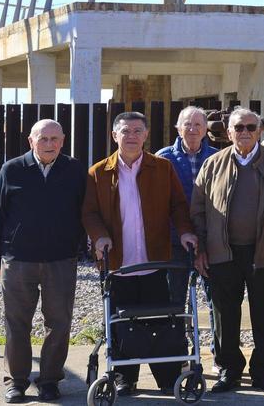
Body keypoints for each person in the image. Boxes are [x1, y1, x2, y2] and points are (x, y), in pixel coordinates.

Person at [83, 112, 198, 396]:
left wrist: (185, 231)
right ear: (115, 136)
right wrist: (100, 237)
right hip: (117, 262)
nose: (131, 136)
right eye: (125, 131)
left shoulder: (162, 167)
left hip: (154, 260)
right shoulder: (99, 171)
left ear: (146, 135)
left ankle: (168, 376)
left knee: (161, 321)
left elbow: (178, 206)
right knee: (122, 324)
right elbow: (89, 212)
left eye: (137, 130)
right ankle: (124, 377)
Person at [191, 107, 264, 393]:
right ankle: (229, 370)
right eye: (238, 127)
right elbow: (197, 209)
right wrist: (201, 248)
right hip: (223, 252)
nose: (244, 132)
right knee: (224, 315)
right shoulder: (213, 164)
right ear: (228, 132)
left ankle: (263, 370)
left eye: (250, 127)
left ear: (259, 131)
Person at [0, 120, 84, 404]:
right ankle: (16, 381)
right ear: (31, 141)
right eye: (43, 139)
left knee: (59, 323)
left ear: (63, 141)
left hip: (60, 261)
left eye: (55, 138)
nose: (50, 144)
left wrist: (77, 247)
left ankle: (50, 380)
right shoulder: (12, 169)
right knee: (17, 324)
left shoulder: (75, 170)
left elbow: (85, 210)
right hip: (18, 261)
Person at [157, 107, 218, 311]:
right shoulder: (163, 159)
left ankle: (217, 344)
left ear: (205, 129)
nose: (192, 129)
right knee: (174, 298)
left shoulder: (218, 158)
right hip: (175, 242)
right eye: (187, 124)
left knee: (215, 299)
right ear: (178, 128)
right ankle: (177, 342)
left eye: (198, 124)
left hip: (210, 239)